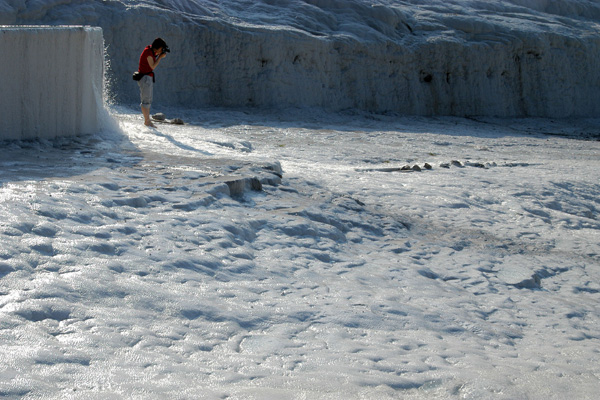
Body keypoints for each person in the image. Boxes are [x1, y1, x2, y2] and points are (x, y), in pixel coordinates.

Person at [137, 38, 168, 127]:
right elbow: (152, 66)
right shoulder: (148, 53)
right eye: (161, 49)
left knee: (148, 99)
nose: (161, 51)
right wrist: (160, 57)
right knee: (146, 100)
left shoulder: (150, 50)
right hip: (145, 78)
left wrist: (158, 54)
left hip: (147, 78)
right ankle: (147, 121)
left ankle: (147, 120)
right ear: (158, 47)